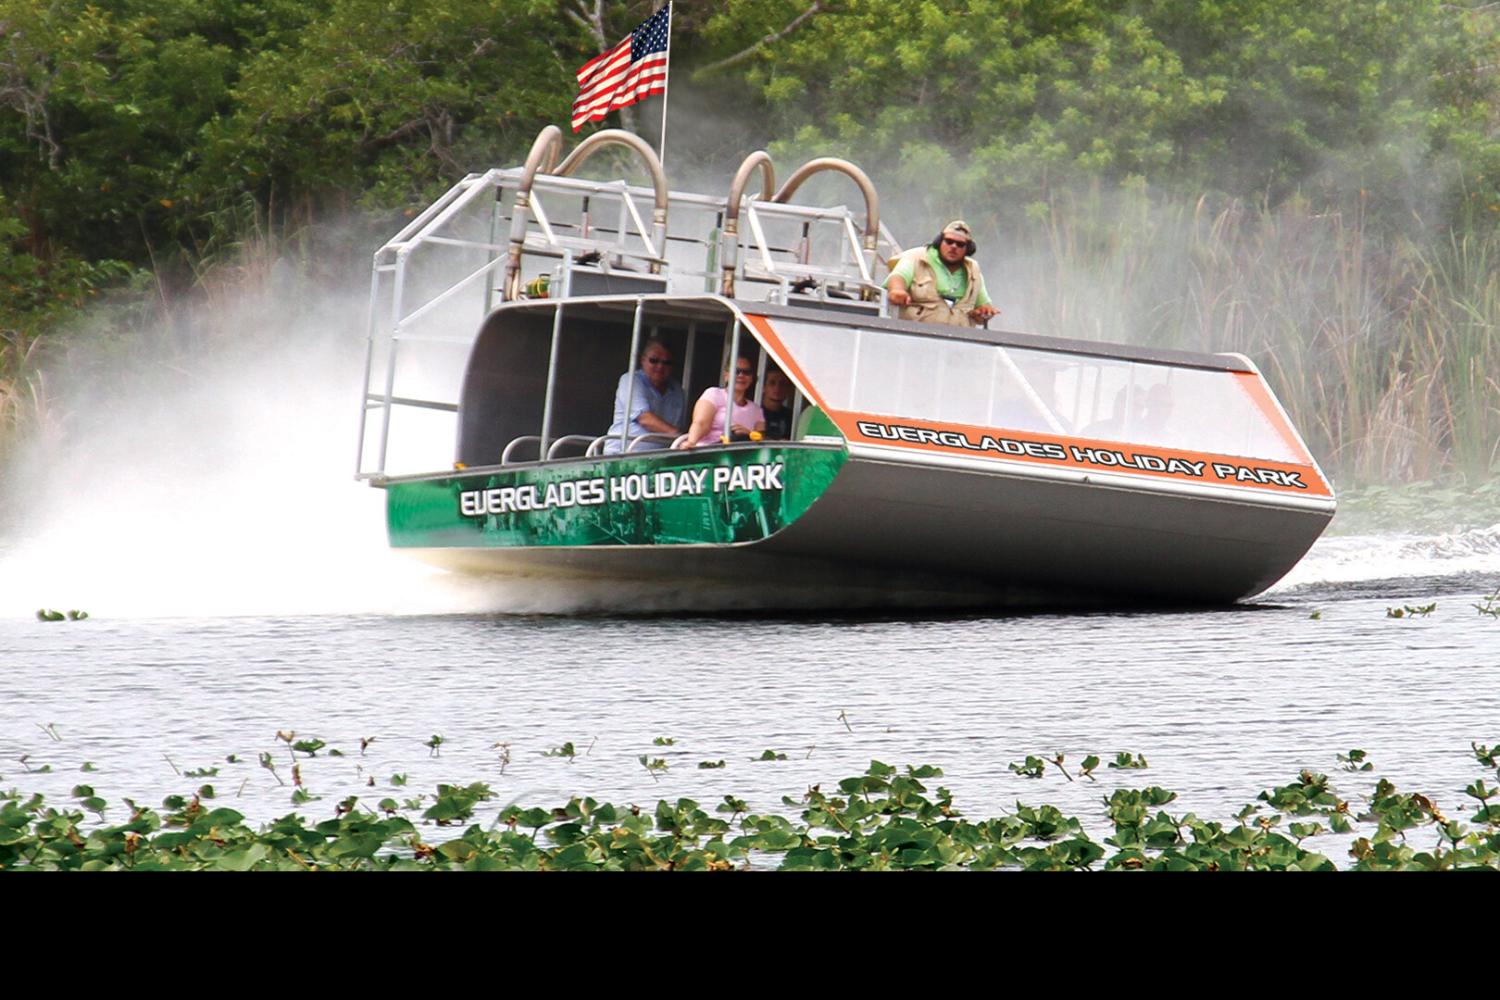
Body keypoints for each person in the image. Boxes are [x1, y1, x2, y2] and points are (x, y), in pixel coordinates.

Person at [884, 220, 999, 327]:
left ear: (968, 249)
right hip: (916, 335)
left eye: (960, 244)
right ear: (939, 242)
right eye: (949, 242)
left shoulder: (973, 270)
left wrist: (984, 313)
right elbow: (898, 277)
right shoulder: (917, 258)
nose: (953, 247)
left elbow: (984, 305)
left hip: (959, 340)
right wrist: (897, 290)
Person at [604, 338, 686, 453]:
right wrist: (682, 437)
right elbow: (645, 419)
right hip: (624, 454)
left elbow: (676, 425)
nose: (660, 366)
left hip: (660, 458)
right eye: (654, 360)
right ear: (643, 360)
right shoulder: (631, 380)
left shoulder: (676, 389)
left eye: (667, 362)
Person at [676, 356, 765, 448]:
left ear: (751, 378)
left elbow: (763, 440)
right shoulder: (714, 394)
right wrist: (691, 442)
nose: (741, 375)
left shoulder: (756, 410)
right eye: (736, 371)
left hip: (741, 458)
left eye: (747, 372)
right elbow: (701, 423)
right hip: (709, 451)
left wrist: (748, 434)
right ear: (726, 375)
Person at [761, 366, 793, 440]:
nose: (777, 388)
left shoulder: (791, 417)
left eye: (782, 384)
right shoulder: (755, 412)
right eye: (772, 383)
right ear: (763, 387)